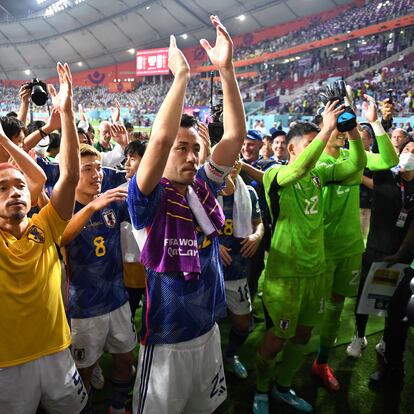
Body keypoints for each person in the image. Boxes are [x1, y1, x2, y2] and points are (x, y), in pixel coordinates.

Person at [127, 17, 246, 413]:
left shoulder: (203, 189)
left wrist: (226, 71)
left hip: (208, 331)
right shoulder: (146, 198)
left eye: (195, 148)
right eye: (181, 149)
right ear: (159, 158)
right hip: (166, 341)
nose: (192, 156)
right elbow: (158, 139)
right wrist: (182, 77)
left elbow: (234, 138)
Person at [249, 101, 367, 414]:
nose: (317, 148)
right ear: (290, 149)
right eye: (309, 143)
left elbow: (357, 162)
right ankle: (259, 389)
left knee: (303, 335)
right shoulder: (274, 174)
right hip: (286, 273)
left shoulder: (319, 175)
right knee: (277, 337)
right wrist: (326, 129)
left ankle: (282, 386)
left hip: (316, 271)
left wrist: (350, 127)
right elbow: (299, 168)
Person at [0, 62, 86, 413]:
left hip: (58, 353)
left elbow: (65, 177)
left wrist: (65, 114)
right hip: (7, 366)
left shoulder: (45, 224)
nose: (15, 192)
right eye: (2, 188)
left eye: (19, 187)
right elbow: (33, 179)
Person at [312, 96, 398, 391]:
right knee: (310, 311)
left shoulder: (354, 156)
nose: (340, 127)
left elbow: (389, 160)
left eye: (344, 120)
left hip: (348, 248)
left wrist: (372, 122)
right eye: (334, 121)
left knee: (336, 308)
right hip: (319, 248)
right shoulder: (313, 159)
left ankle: (321, 362)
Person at [61, 143, 136, 414]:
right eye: (87, 169)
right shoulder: (63, 207)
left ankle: (117, 407)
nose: (97, 174)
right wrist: (92, 207)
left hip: (117, 299)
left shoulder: (111, 202)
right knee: (83, 371)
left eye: (97, 167)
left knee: (125, 359)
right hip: (84, 309)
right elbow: (61, 237)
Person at [347, 141, 414, 359]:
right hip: (376, 249)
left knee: (395, 300)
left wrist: (401, 252)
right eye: (406, 150)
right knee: (365, 294)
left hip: (403, 254)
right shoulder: (385, 176)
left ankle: (387, 339)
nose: (409, 155)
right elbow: (372, 154)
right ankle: (359, 335)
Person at [218, 162, 264, 379]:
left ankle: (229, 355)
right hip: (208, 271)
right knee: (206, 324)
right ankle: (209, 362)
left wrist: (257, 235)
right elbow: (189, 227)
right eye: (228, 158)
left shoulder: (249, 191)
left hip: (237, 269)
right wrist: (212, 245)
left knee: (243, 324)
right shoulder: (203, 188)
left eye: (236, 157)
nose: (232, 163)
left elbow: (258, 222)